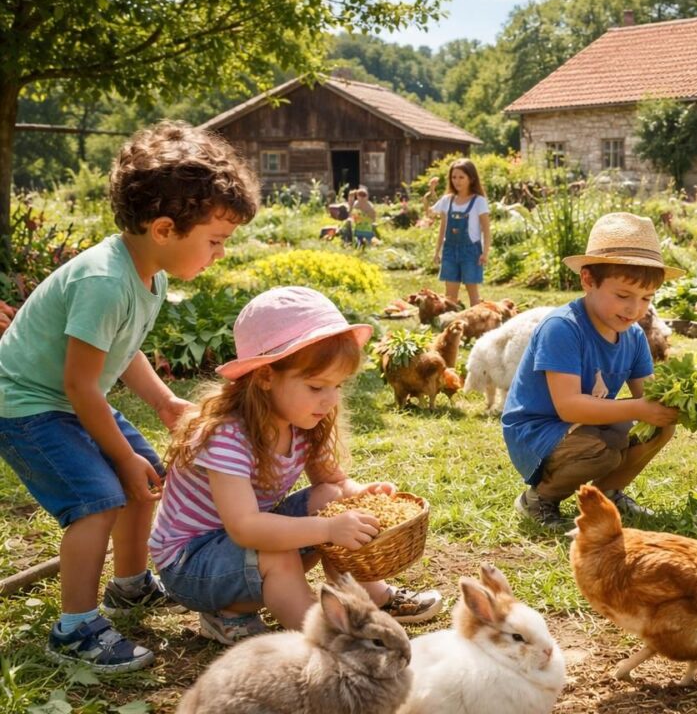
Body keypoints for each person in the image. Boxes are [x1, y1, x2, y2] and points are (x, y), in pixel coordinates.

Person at [0, 121, 259, 672]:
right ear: (165, 228)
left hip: (70, 396)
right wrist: (119, 454)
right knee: (100, 499)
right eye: (214, 241)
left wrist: (165, 403)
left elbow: (123, 351)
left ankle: (131, 585)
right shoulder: (104, 281)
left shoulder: (149, 274)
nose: (218, 254)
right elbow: (79, 383)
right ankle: (75, 627)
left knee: (145, 482)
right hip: (27, 405)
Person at [150, 286, 442, 644]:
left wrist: (360, 495)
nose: (331, 399)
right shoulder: (228, 435)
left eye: (337, 386)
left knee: (330, 496)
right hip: (191, 564)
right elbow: (244, 528)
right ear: (266, 377)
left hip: (240, 554)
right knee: (282, 554)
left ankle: (373, 598)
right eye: (317, 386)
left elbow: (332, 484)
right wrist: (329, 529)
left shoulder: (302, 420)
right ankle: (330, 641)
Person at [503, 212, 682, 531]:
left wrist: (677, 402)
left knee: (659, 427)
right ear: (588, 280)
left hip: (583, 425)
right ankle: (538, 498)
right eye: (623, 296)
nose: (634, 309)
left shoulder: (635, 335)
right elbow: (568, 406)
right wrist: (640, 408)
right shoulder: (563, 328)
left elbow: (649, 396)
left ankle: (607, 494)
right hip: (538, 432)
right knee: (603, 453)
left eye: (646, 299)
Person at [430, 160, 491, 307]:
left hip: (471, 251)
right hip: (450, 250)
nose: (457, 181)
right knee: (450, 297)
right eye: (454, 177)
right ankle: (452, 324)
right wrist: (437, 251)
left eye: (461, 177)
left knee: (473, 295)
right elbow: (442, 227)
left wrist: (485, 252)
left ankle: (476, 325)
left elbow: (487, 230)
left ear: (471, 178)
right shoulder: (447, 200)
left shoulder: (479, 201)